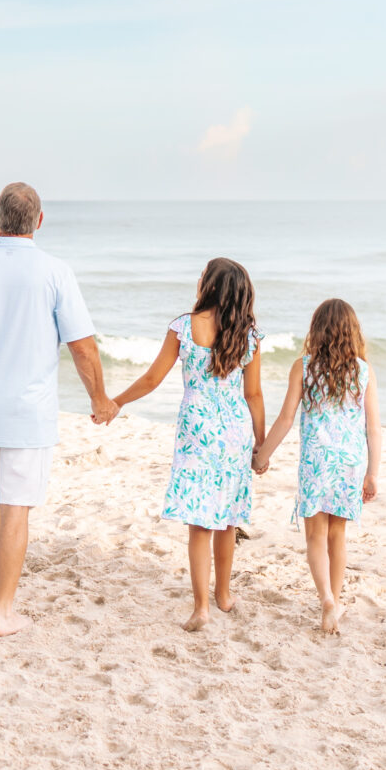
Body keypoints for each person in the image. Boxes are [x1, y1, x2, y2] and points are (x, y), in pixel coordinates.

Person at [0, 182, 116, 637]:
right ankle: (4, 611)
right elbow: (83, 348)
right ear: (40, 221)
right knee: (16, 508)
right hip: (27, 412)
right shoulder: (55, 272)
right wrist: (99, 398)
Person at [108, 259, 266, 631]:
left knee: (199, 523)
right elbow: (254, 395)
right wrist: (261, 444)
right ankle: (224, 596)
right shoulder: (249, 336)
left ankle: (201, 608)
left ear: (209, 285)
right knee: (227, 520)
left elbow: (151, 379)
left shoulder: (184, 326)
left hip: (197, 432)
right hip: (234, 435)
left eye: (202, 276)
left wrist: (117, 402)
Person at [254, 298, 381, 635]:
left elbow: (285, 418)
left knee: (315, 536)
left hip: (316, 462)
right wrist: (372, 472)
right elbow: (373, 427)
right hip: (349, 463)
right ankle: (334, 604)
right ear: (352, 332)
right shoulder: (363, 371)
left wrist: (262, 456)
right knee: (338, 535)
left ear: (317, 329)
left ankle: (325, 596)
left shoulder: (303, 366)